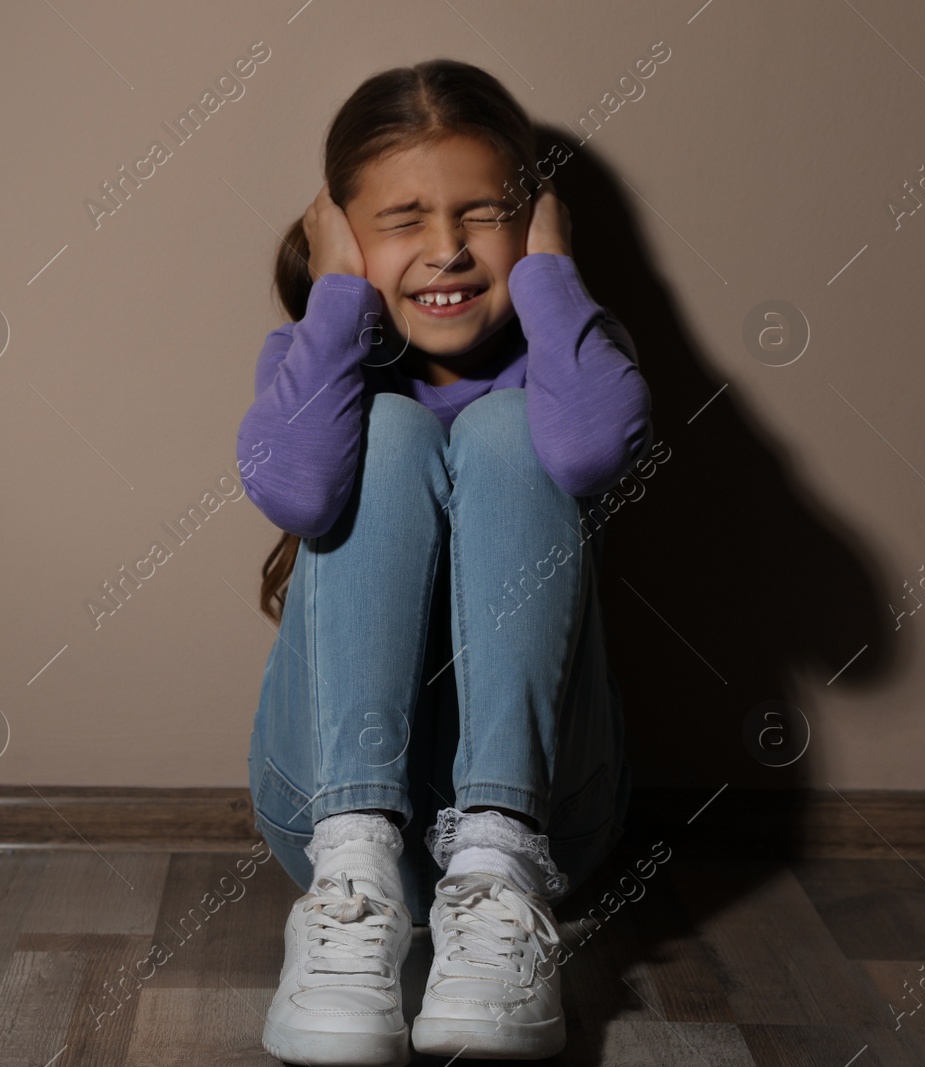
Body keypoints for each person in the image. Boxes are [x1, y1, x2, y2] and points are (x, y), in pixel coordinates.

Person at [237, 58, 654, 1064]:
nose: (446, 251)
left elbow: (595, 448)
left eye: (484, 214)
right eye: (401, 220)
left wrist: (550, 273)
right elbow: (293, 490)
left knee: (516, 433)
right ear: (340, 230)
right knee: (384, 432)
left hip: (545, 822)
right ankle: (351, 883)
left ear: (533, 220)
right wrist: (335, 292)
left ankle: (499, 868)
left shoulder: (568, 355)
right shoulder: (314, 355)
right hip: (331, 820)